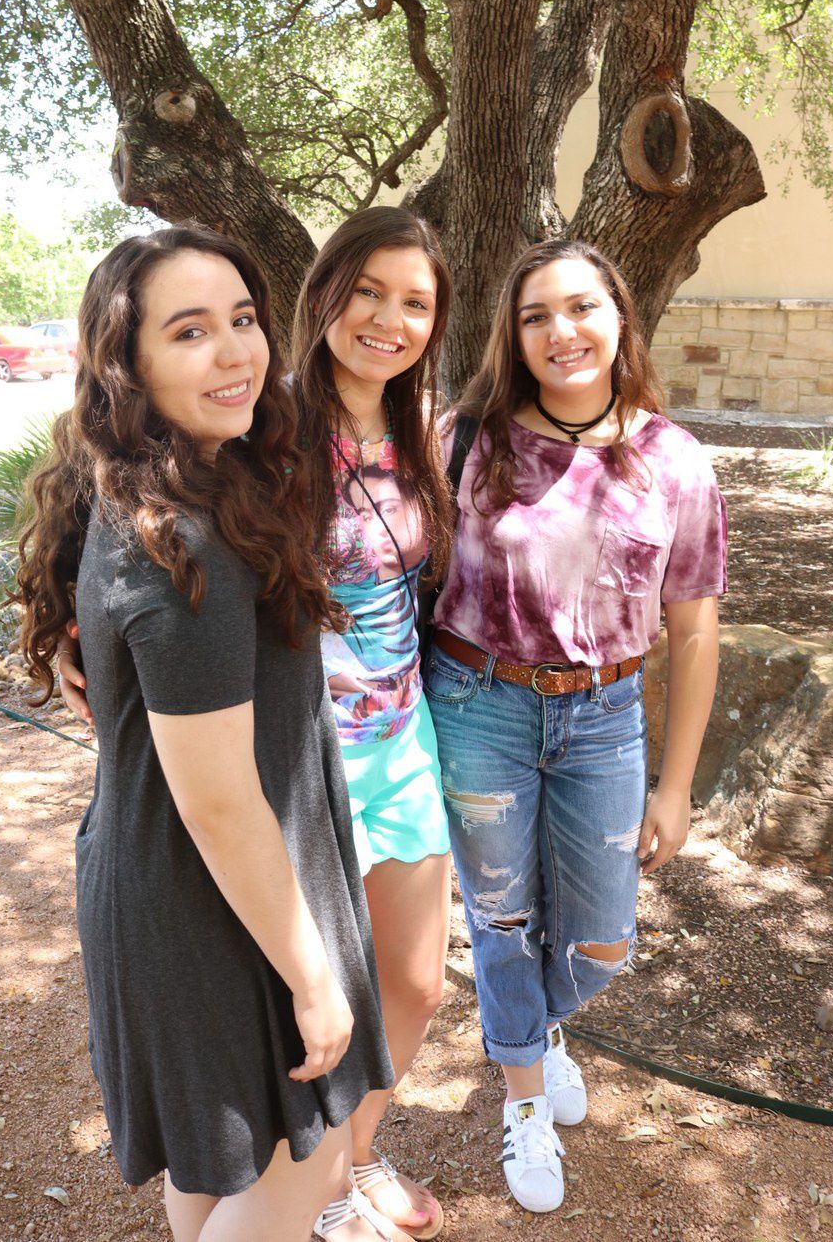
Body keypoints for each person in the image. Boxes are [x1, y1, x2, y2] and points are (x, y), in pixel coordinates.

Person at [15, 226, 393, 1242]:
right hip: (210, 904)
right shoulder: (182, 542)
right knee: (309, 1162)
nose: (235, 353)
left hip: (189, 885)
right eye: (189, 332)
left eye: (243, 319)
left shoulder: (166, 487)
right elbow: (220, 802)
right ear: (126, 367)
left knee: (219, 1159)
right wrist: (313, 977)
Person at [424, 239, 726, 1214]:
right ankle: (522, 1094)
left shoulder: (672, 461)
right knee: (501, 915)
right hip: (478, 703)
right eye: (535, 316)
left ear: (619, 317)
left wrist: (676, 787)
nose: (561, 331)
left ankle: (535, 1026)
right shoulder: (463, 439)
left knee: (601, 940)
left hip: (603, 717)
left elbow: (694, 630)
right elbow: (361, 549)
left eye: (582, 307)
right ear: (511, 337)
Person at [292, 208, 456, 1242]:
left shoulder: (421, 431)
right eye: (369, 291)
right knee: (315, 1000)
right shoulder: (264, 426)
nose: (389, 320)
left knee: (415, 982)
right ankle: (309, 1192)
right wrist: (75, 636)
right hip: (300, 760)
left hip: (402, 741)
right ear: (326, 291)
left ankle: (354, 1156)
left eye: (415, 303)